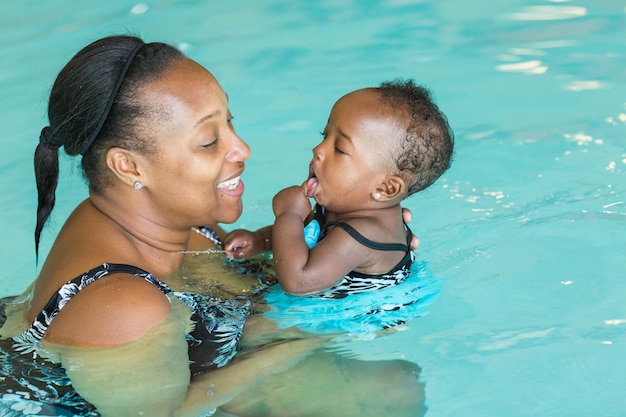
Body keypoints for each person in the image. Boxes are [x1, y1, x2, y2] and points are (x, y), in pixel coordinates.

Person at [0, 35, 427, 417]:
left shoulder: (168, 220)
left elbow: (243, 293)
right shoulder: (122, 306)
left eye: (230, 122)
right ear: (128, 166)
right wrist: (312, 340)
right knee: (394, 395)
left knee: (397, 383)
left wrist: (364, 259)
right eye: (209, 141)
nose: (242, 148)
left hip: (178, 377)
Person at [224, 81, 454, 299]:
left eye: (340, 148)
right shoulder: (350, 204)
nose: (318, 149)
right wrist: (260, 241)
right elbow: (306, 233)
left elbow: (298, 282)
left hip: (347, 319)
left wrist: (289, 214)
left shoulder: (361, 234)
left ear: (385, 188)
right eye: (325, 136)